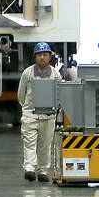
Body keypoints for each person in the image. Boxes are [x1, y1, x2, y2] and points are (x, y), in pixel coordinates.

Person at [17, 42, 61, 182]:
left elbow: (60, 94)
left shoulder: (55, 74)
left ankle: (43, 171)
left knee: (45, 144)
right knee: (29, 142)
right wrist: (27, 109)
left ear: (50, 57)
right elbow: (20, 94)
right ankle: (29, 168)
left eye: (45, 55)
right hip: (31, 114)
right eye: (39, 55)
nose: (42, 57)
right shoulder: (27, 73)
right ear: (35, 56)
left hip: (48, 116)